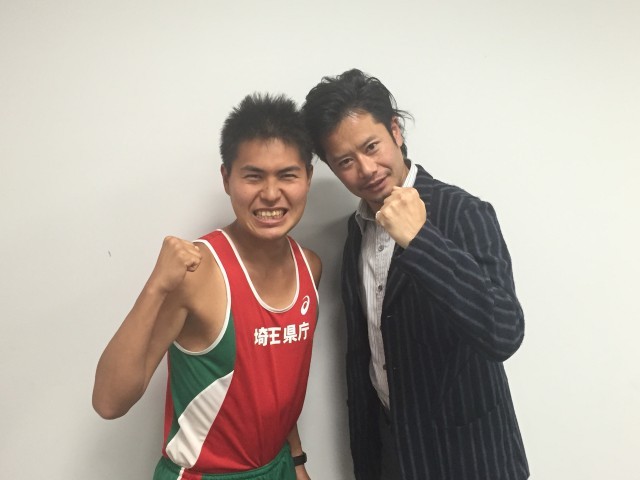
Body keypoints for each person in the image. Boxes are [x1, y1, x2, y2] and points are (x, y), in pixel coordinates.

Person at [302, 69, 529, 480]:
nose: (366, 169)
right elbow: (365, 356)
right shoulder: (357, 231)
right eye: (346, 162)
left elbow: (503, 331)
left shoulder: (463, 211)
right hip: (395, 456)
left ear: (395, 130)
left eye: (372, 146)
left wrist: (421, 240)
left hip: (471, 458)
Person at [93, 93, 321, 480]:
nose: (270, 193)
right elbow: (108, 402)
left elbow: (273, 388)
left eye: (287, 175)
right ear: (226, 178)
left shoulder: (310, 268)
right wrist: (156, 287)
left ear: (308, 178)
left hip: (278, 467)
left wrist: (297, 461)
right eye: (253, 176)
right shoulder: (198, 272)